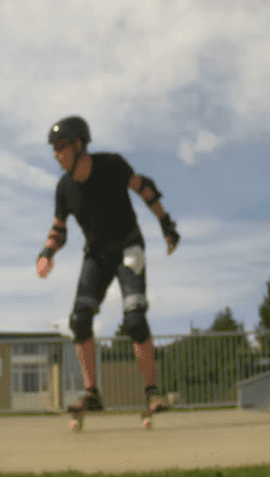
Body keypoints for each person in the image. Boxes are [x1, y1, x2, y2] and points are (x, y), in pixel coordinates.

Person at [36, 115, 180, 417]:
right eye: (53, 149)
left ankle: (152, 392)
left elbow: (144, 189)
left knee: (135, 318)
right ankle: (92, 393)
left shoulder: (113, 165)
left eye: (61, 147)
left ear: (78, 145)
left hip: (129, 247)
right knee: (79, 319)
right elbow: (59, 229)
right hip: (97, 256)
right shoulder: (64, 189)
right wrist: (47, 253)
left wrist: (167, 224)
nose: (56, 155)